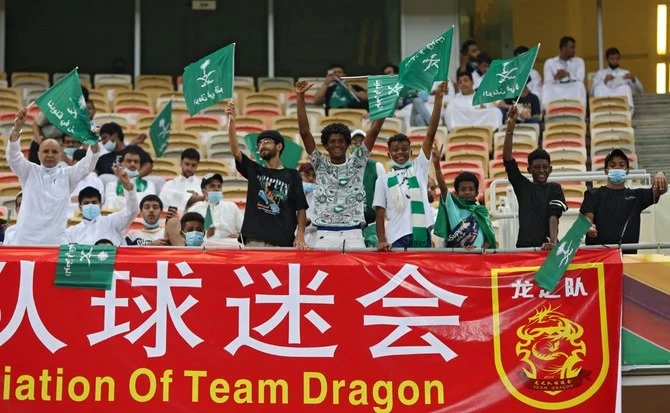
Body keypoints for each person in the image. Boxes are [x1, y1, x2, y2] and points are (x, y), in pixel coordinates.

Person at [297, 80, 385, 249]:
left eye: (341, 141)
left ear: (347, 144)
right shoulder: (320, 163)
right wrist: (300, 97)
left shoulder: (358, 162)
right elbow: (304, 132)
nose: (337, 145)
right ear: (326, 146)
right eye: (332, 142)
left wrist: (386, 99)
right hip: (324, 234)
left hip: (354, 234)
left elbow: (374, 131)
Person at [5, 108, 100, 245]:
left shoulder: (68, 175)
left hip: (54, 242)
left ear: (60, 155)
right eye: (46, 151)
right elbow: (13, 157)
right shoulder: (29, 171)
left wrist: (93, 143)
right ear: (38, 154)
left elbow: (88, 164)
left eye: (54, 152)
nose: (50, 155)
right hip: (26, 240)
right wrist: (17, 128)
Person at [374, 82, 447, 250]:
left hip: (421, 234)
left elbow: (430, 134)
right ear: (389, 154)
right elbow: (379, 214)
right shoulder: (383, 180)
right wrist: (381, 240)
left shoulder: (418, 168)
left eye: (404, 149)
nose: (400, 152)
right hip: (395, 237)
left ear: (411, 152)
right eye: (395, 150)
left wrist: (438, 99)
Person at [226, 101, 308, 248]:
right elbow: (236, 152)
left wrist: (300, 235)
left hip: (283, 241)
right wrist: (231, 121)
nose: (262, 145)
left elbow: (301, 208)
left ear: (279, 146)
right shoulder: (255, 170)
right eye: (259, 144)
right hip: (254, 239)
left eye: (266, 142)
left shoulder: (292, 174)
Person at [503, 107, 567, 249]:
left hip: (548, 249)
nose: (541, 171)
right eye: (537, 167)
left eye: (545, 167)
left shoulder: (554, 188)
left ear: (550, 169)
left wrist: (553, 243)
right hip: (523, 249)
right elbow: (507, 159)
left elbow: (553, 216)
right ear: (529, 170)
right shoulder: (523, 186)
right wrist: (510, 127)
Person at [581, 149, 667, 253]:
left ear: (627, 170)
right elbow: (587, 218)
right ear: (606, 170)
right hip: (598, 257)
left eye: (621, 165)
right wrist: (589, 226)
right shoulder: (592, 194)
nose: (617, 167)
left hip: (627, 257)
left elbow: (660, 190)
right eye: (612, 165)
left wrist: (661, 174)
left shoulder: (636, 196)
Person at [433, 147, 496, 248]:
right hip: (456, 259)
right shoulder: (452, 207)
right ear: (456, 193)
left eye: (471, 189)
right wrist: (437, 167)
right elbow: (443, 189)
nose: (467, 192)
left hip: (478, 259)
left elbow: (489, 239)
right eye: (463, 189)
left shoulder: (482, 211)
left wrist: (480, 250)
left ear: (476, 193)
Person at [65, 165, 139, 246]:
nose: (90, 205)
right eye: (86, 203)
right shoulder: (71, 232)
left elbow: (132, 211)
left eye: (94, 202)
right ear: (80, 207)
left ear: (100, 205)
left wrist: (127, 186)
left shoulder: (112, 222)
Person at [187, 173, 243, 245]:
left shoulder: (231, 207)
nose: (216, 189)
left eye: (219, 186)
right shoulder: (194, 210)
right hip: (205, 246)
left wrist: (239, 236)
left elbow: (245, 231)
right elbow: (190, 237)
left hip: (229, 245)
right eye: (212, 186)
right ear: (203, 191)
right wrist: (207, 235)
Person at [542, 36, 586, 107]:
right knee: (546, 87)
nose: (574, 50)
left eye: (574, 47)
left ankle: (579, 110)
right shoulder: (550, 62)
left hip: (572, 87)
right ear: (563, 48)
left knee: (580, 85)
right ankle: (547, 111)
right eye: (572, 47)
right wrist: (556, 77)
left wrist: (568, 75)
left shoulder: (579, 61)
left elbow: (580, 79)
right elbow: (547, 81)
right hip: (556, 88)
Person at [159, 148, 204, 213]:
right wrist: (193, 198)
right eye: (187, 164)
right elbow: (162, 204)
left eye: (193, 165)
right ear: (181, 163)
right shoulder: (170, 184)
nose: (189, 168)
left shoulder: (202, 185)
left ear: (197, 166)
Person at [68, 148, 105, 218]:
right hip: (69, 214)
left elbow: (101, 200)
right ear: (73, 162)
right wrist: (71, 199)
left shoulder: (96, 181)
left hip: (93, 215)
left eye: (83, 163)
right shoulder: (66, 179)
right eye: (78, 163)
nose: (81, 166)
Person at [299, 163, 318, 247]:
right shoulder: (291, 194)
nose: (310, 178)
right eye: (306, 175)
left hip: (317, 238)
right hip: (296, 237)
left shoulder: (321, 196)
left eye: (314, 175)